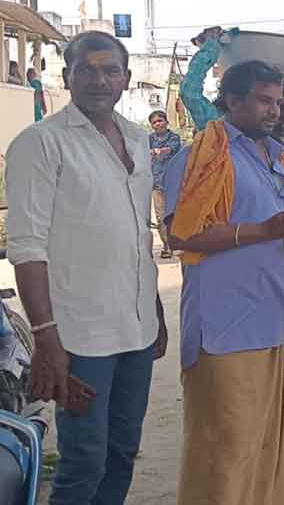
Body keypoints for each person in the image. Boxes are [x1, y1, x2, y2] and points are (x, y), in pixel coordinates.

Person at [5, 31, 164, 505]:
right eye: (86, 69)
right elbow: (27, 247)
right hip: (79, 336)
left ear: (126, 78)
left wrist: (153, 308)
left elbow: (137, 235)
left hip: (135, 329)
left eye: (109, 69)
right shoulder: (41, 143)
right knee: (83, 463)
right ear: (66, 76)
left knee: (121, 453)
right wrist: (46, 340)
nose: (98, 79)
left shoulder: (137, 139)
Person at [164, 60, 284, 505]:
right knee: (227, 448)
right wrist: (265, 231)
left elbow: (275, 229)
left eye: (279, 102)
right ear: (232, 101)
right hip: (226, 327)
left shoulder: (279, 155)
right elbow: (181, 233)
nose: (275, 111)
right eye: (264, 101)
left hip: (277, 318)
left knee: (269, 447)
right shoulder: (203, 157)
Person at [149, 110, 183, 259]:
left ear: (166, 122)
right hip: (156, 185)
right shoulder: (148, 139)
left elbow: (170, 150)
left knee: (176, 215)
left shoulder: (174, 138)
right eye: (154, 122)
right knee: (160, 217)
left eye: (160, 120)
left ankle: (179, 243)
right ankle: (167, 245)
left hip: (174, 183)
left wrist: (156, 152)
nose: (158, 124)